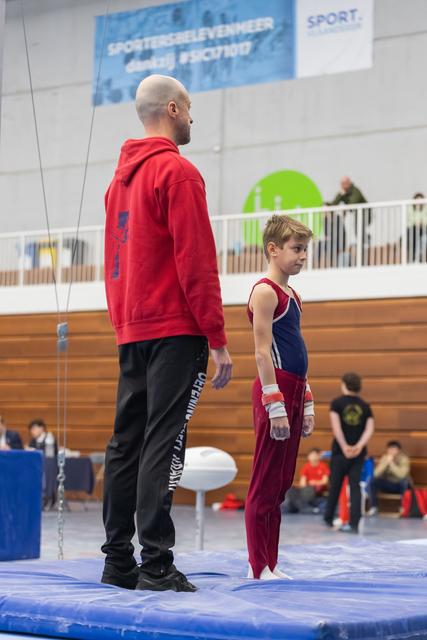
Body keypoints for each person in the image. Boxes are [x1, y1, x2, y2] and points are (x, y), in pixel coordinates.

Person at [101, 75, 232, 593]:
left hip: (132, 326)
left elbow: (114, 262)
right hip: (175, 328)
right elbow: (196, 262)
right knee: (164, 439)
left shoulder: (119, 182)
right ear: (173, 109)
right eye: (191, 109)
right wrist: (216, 337)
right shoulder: (178, 173)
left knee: (124, 442)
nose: (193, 118)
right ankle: (155, 563)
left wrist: (121, 323)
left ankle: (117, 562)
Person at [245, 214, 315, 580]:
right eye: (296, 249)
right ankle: (257, 567)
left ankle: (270, 563)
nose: (302, 256)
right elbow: (262, 352)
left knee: (281, 484)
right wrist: (275, 405)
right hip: (273, 389)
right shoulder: (265, 291)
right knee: (264, 480)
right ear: (273, 249)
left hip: (293, 386)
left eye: (305, 249)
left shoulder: (293, 295)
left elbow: (298, 351)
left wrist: (306, 401)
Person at [324, 372, 374, 533]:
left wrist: (345, 446)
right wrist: (358, 446)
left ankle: (329, 518)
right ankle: (354, 523)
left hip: (340, 452)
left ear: (344, 384)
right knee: (355, 487)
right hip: (358, 454)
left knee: (335, 486)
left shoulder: (337, 403)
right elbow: (369, 429)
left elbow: (336, 426)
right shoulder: (365, 406)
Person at [325, 177, 371, 265]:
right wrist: (326, 205)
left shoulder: (355, 191)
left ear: (349, 183)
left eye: (345, 183)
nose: (343, 185)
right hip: (357, 215)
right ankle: (364, 239)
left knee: (359, 229)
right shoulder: (343, 192)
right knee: (357, 230)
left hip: (365, 214)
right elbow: (334, 203)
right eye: (342, 183)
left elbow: (352, 203)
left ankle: (364, 240)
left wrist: (344, 196)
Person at [367, 441, 410, 516]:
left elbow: (401, 475)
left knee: (405, 482)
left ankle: (403, 507)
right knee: (372, 481)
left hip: (399, 485)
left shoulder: (404, 459)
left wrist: (391, 464)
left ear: (398, 450)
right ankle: (374, 507)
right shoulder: (385, 458)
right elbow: (375, 474)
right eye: (390, 449)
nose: (392, 451)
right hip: (387, 484)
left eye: (394, 449)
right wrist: (385, 463)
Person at [282, 448, 329, 514]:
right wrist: (308, 485)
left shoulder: (323, 466)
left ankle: (305, 507)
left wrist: (315, 482)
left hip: (317, 490)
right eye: (311, 455)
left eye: (314, 455)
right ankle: (302, 507)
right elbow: (302, 483)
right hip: (307, 489)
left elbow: (325, 481)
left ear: (318, 456)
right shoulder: (306, 467)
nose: (312, 457)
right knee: (291, 490)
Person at [407, 193, 427, 263]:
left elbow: (425, 221)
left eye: (420, 201)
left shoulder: (425, 209)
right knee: (416, 239)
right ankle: (416, 259)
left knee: (424, 239)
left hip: (423, 230)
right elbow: (410, 221)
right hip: (413, 231)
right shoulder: (410, 208)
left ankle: (421, 258)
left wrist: (421, 223)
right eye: (417, 201)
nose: (419, 203)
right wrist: (417, 223)